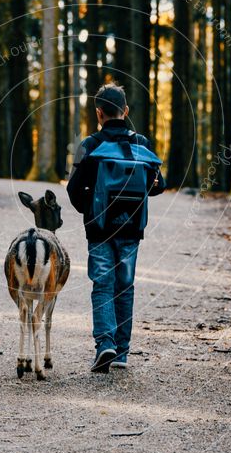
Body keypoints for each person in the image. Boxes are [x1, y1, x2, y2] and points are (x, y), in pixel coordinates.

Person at [67, 83, 165, 372]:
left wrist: (91, 210)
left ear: (99, 113)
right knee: (125, 286)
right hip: (132, 229)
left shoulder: (89, 145)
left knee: (102, 284)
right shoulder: (143, 144)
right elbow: (160, 185)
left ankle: (104, 344)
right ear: (126, 110)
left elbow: (73, 189)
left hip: (99, 229)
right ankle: (121, 353)